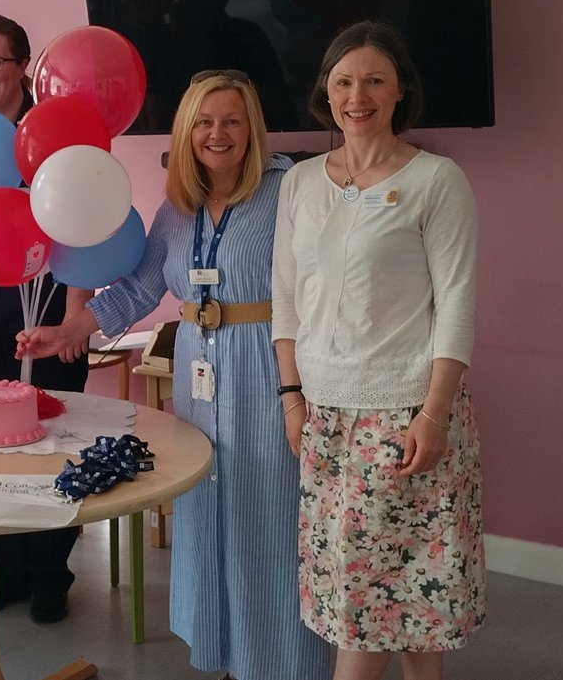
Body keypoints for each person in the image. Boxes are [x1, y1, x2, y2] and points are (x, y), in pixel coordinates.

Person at [18, 71, 330, 680]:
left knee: (269, 510)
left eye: (232, 120)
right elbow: (139, 287)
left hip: (268, 367)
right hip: (198, 370)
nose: (219, 133)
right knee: (208, 504)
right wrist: (71, 327)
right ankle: (223, 649)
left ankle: (286, 661)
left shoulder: (289, 188)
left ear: (252, 129)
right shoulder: (178, 208)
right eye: (205, 122)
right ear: (187, 133)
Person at [272, 20, 483, 680]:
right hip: (325, 417)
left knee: (386, 595)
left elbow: (457, 300)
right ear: (325, 94)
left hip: (405, 416)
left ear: (398, 93)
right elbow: (286, 299)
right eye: (342, 81)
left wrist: (434, 412)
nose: (355, 95)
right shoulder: (300, 182)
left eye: (372, 80)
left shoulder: (436, 179)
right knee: (385, 593)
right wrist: (291, 397)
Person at [0, 12, 92, 623]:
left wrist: (77, 318)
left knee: (54, 452)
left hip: (53, 320)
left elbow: (85, 228)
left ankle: (49, 574)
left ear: (23, 66)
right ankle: (4, 571)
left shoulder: (56, 132)